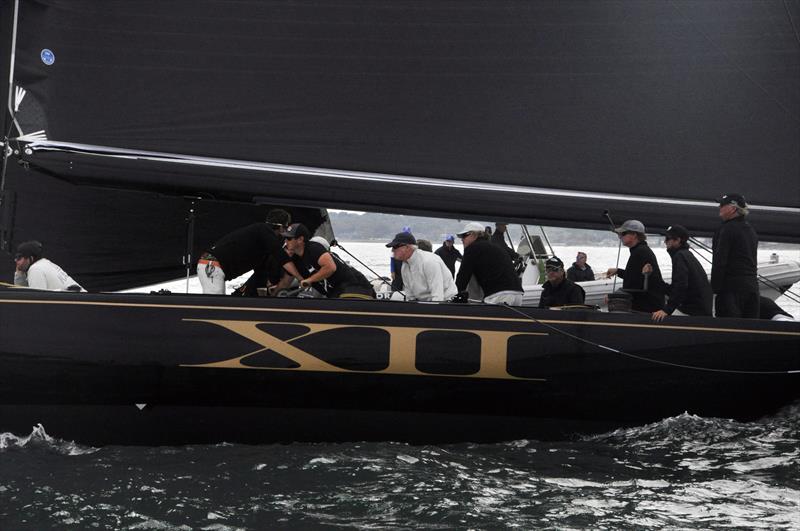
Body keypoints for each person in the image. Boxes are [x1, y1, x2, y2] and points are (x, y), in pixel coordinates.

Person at [197, 210, 302, 295]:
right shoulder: (263, 229)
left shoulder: (261, 245)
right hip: (211, 264)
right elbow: (281, 257)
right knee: (215, 306)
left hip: (212, 265)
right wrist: (300, 278)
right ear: (280, 227)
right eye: (284, 230)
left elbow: (261, 273)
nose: (283, 236)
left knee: (219, 305)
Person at [283, 223, 375, 299]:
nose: (286, 241)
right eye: (285, 238)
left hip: (356, 287)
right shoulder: (297, 260)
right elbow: (286, 281)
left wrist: (310, 280)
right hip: (337, 292)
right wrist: (274, 292)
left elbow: (330, 268)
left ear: (300, 239)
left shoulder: (313, 248)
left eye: (289, 238)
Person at [647, 225, 712, 322]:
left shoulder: (679, 256)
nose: (665, 241)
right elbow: (677, 287)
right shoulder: (686, 254)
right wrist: (652, 277)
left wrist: (667, 310)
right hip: (701, 308)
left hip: (693, 311)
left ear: (677, 240)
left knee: (655, 318)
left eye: (668, 239)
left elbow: (681, 285)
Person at [711, 193, 759, 318]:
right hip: (752, 288)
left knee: (727, 331)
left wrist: (715, 289)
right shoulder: (751, 230)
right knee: (750, 331)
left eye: (722, 205)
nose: (719, 207)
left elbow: (719, 261)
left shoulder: (726, 229)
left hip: (731, 289)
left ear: (733, 208)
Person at [455, 222, 524, 306]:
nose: (462, 239)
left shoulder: (472, 249)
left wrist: (455, 295)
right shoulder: (494, 246)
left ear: (474, 234)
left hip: (499, 295)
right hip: (517, 293)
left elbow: (463, 276)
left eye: (464, 235)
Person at [606, 220, 666, 312]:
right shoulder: (640, 250)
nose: (620, 236)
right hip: (650, 304)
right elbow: (635, 276)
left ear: (634, 235)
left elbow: (634, 284)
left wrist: (613, 296)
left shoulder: (640, 252)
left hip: (647, 307)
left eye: (623, 233)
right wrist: (618, 271)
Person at [386, 232, 457, 302]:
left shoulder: (429, 261)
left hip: (447, 302)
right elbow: (410, 296)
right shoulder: (405, 265)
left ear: (407, 247)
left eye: (395, 247)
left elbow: (438, 296)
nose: (392, 250)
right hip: (425, 303)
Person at [13, 240, 84, 291]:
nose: (15, 260)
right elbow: (23, 292)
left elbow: (36, 301)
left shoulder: (35, 269)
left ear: (31, 258)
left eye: (19, 257)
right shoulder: (45, 264)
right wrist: (19, 274)